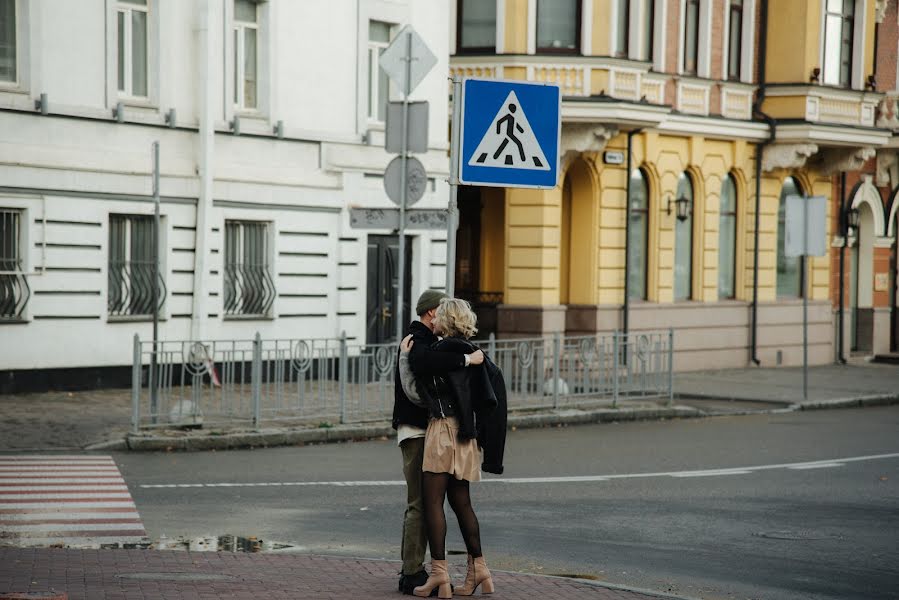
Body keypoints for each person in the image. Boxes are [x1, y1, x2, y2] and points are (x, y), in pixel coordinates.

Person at [402, 298, 506, 599]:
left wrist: (407, 354)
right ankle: (479, 569)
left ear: (445, 320)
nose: (434, 323)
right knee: (462, 502)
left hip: (443, 429)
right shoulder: (475, 353)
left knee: (433, 501)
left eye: (439, 319)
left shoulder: (441, 350)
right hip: (467, 434)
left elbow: (421, 363)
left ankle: (439, 575)